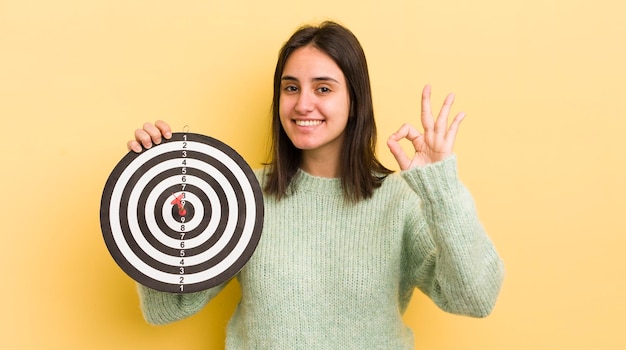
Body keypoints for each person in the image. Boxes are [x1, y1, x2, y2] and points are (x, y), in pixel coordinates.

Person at [127, 21, 504, 349]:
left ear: (355, 101)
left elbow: (475, 298)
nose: (303, 104)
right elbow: (167, 309)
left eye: (323, 89)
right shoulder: (242, 195)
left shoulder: (400, 200)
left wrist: (441, 190)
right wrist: (155, 185)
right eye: (291, 88)